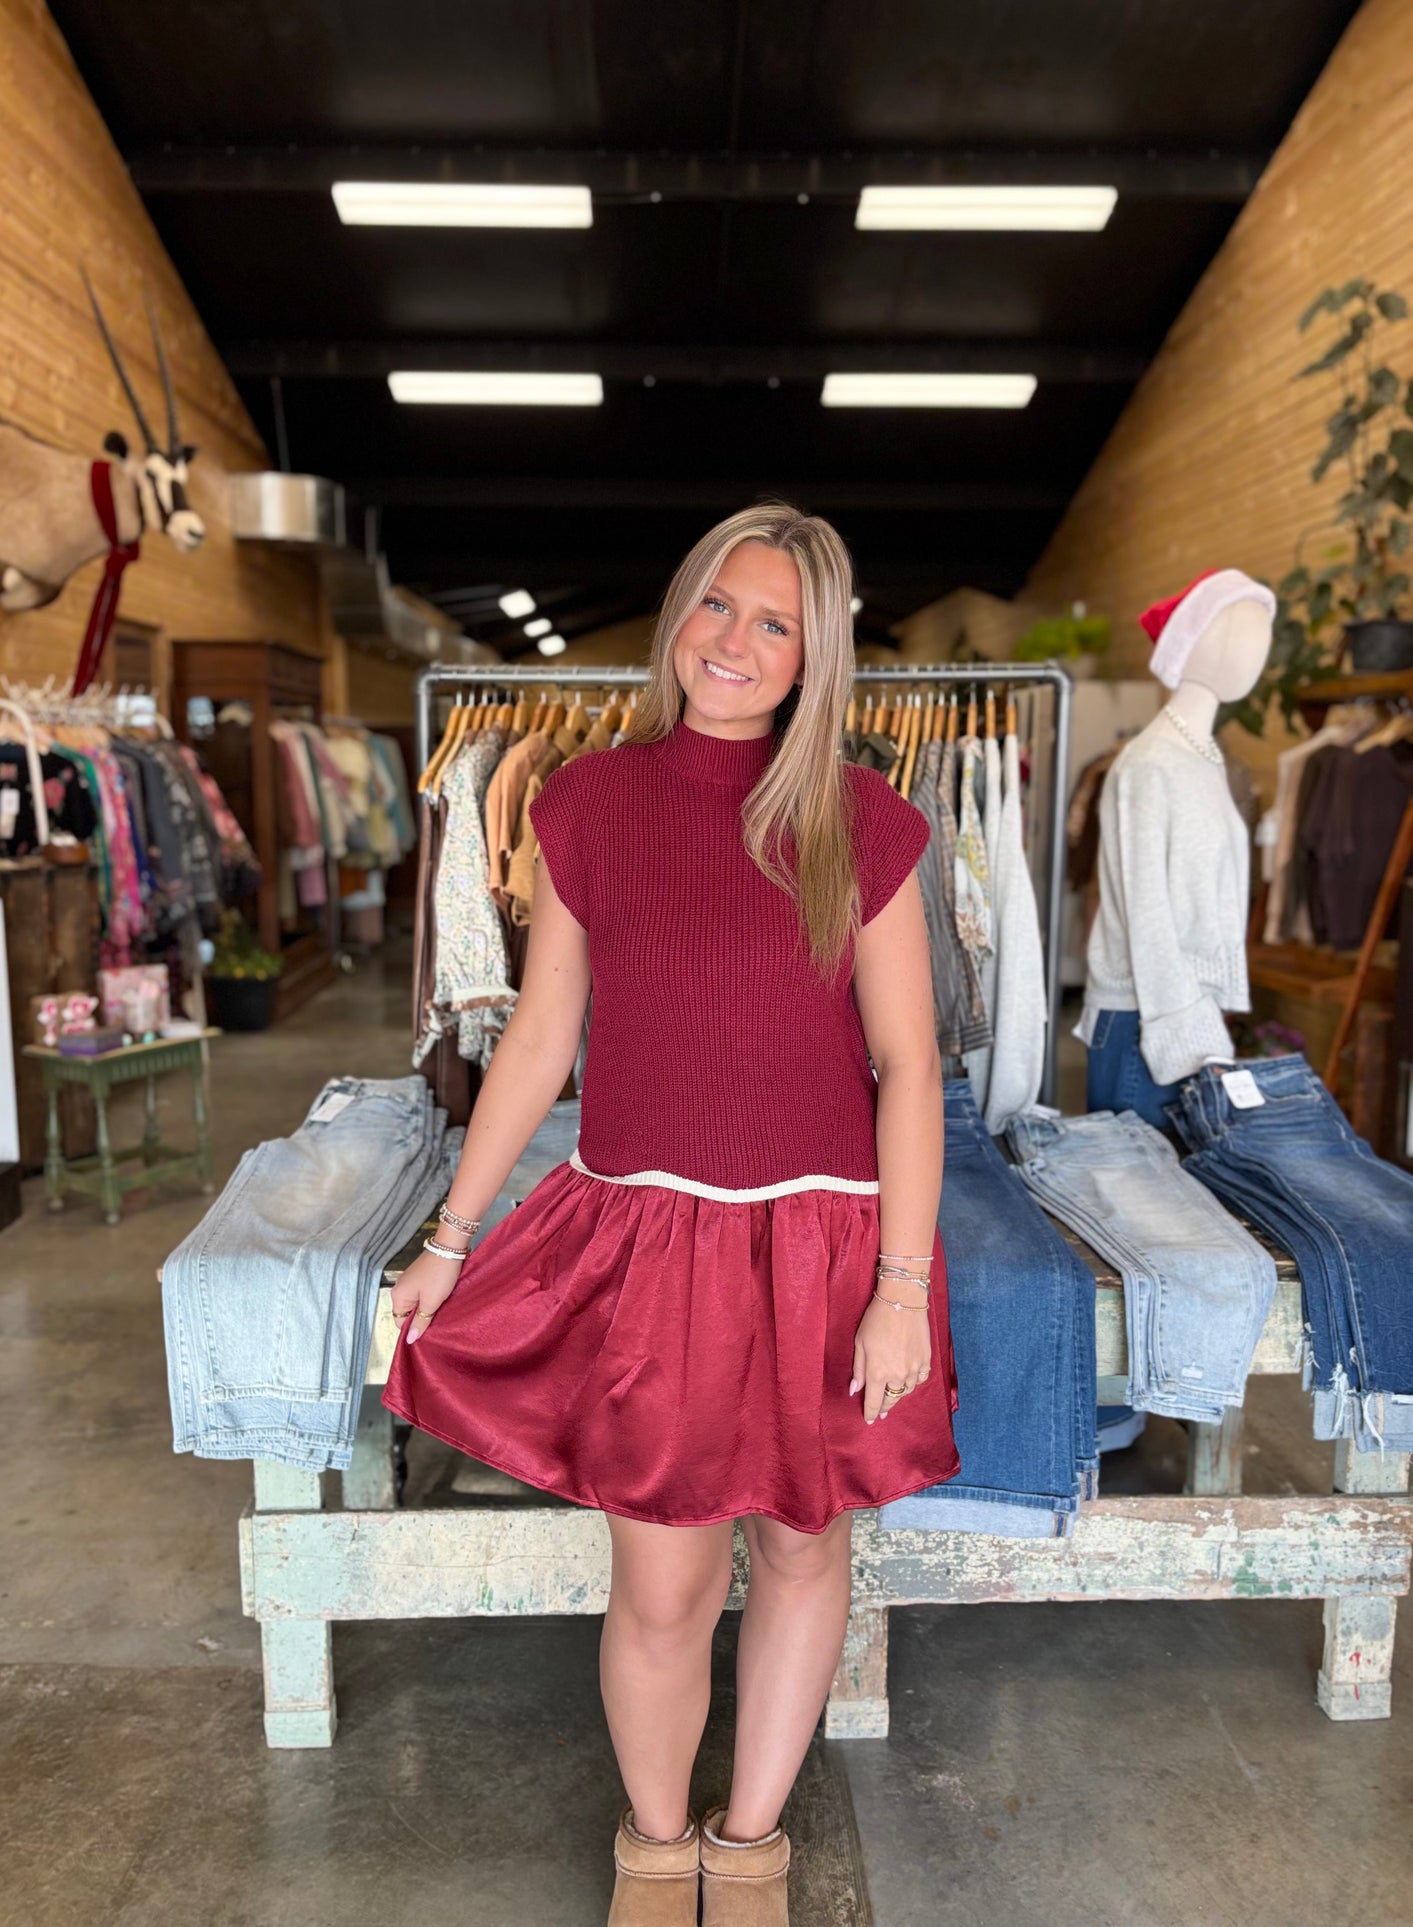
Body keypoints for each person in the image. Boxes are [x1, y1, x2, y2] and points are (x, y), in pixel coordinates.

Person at [383, 501, 958, 1926]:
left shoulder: (864, 821)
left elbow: (908, 1065)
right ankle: (656, 1845)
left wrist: (898, 1281)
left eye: (775, 623)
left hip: (825, 1244)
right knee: (661, 1576)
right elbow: (535, 1042)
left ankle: (748, 1842)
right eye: (717, 604)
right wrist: (448, 1239)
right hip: (652, 1238)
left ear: (814, 655)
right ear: (678, 614)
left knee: (807, 1545)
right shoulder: (583, 804)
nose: (735, 642)